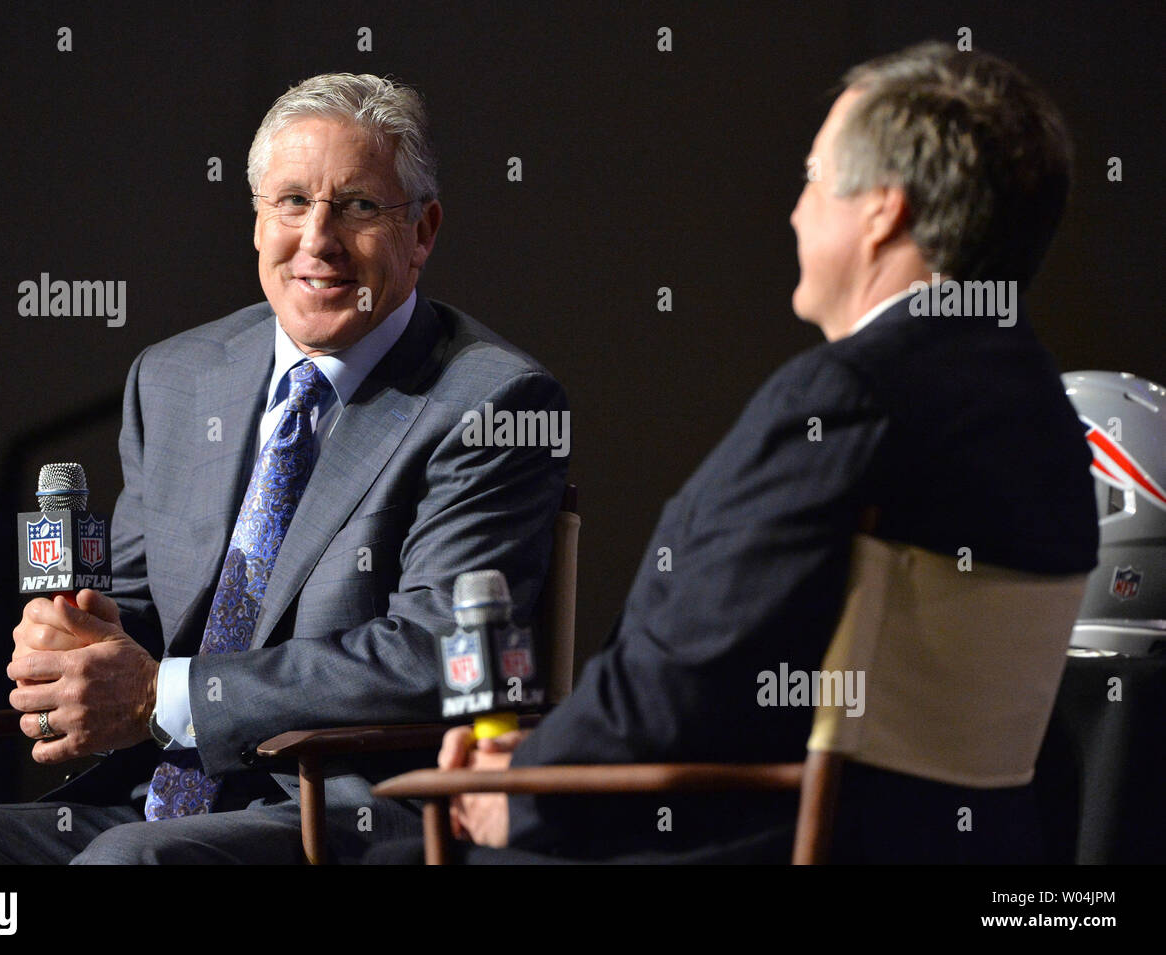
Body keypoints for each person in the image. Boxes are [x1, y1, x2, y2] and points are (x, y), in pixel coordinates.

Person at [420, 42, 1098, 864]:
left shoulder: (850, 398)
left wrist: (524, 791)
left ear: (883, 211)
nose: (793, 211)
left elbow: (689, 682)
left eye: (813, 178)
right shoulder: (1052, 421)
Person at [0, 73, 568, 864]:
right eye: (292, 202)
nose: (319, 239)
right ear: (257, 221)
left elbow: (434, 649)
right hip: (140, 798)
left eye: (361, 206)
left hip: (338, 810)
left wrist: (159, 697)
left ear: (424, 231)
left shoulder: (492, 401)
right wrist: (77, 645)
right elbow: (133, 610)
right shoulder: (175, 376)